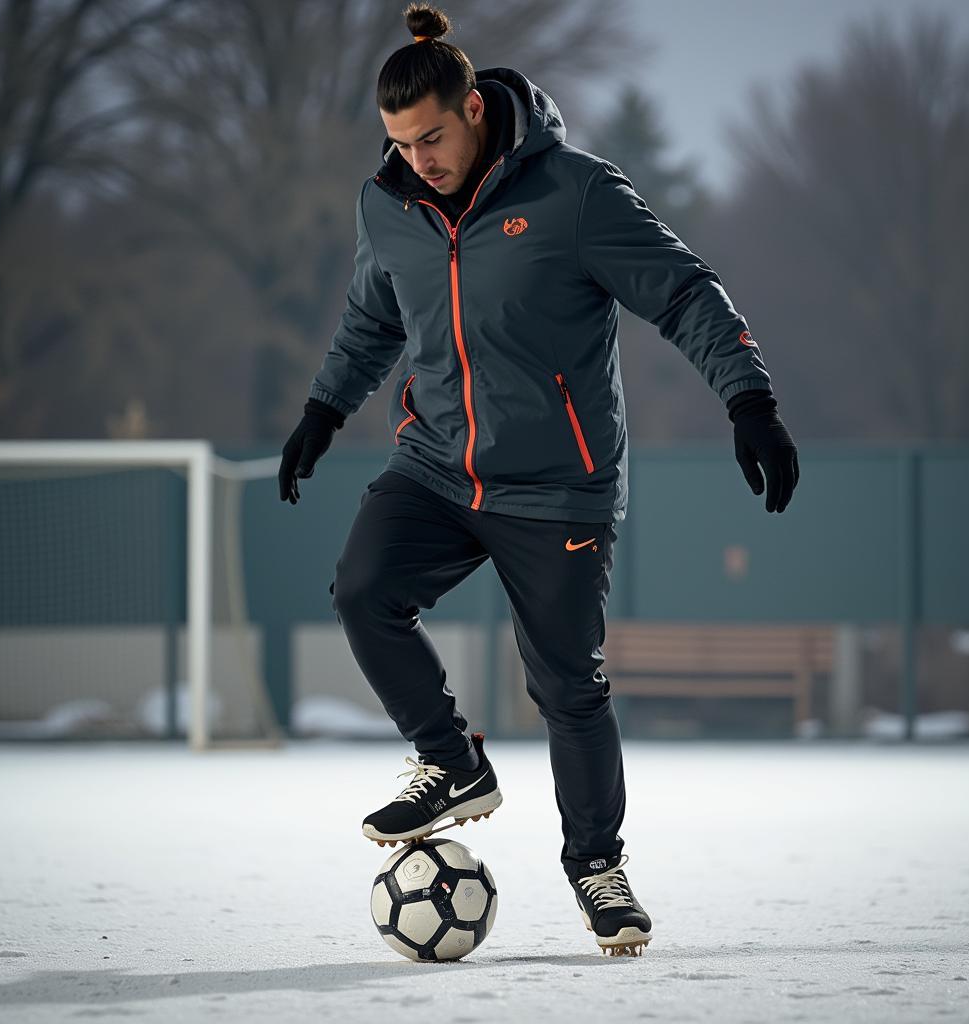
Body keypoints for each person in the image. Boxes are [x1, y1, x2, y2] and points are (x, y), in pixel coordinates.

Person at [279, 2, 799, 957]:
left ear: (474, 108)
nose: (418, 159)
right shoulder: (386, 204)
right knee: (361, 589)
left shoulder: (575, 194)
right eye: (399, 142)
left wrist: (749, 399)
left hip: (558, 487)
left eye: (431, 136)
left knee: (568, 687)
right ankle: (449, 760)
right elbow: (370, 321)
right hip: (438, 466)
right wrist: (322, 410)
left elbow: (685, 292)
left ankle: (597, 868)